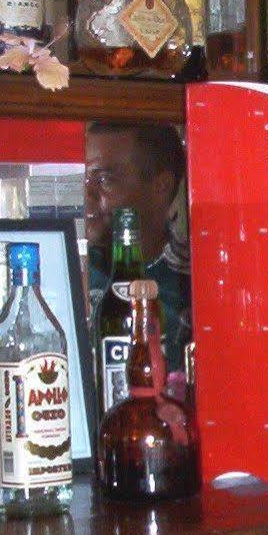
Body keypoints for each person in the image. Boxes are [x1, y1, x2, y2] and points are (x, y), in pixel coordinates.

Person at [84, 122, 193, 372]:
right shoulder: (75, 271)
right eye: (85, 177)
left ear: (160, 186)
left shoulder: (196, 280)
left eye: (104, 179)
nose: (86, 193)